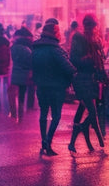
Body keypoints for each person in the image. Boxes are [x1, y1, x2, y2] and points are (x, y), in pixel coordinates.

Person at [32, 22, 76, 156]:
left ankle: (43, 141)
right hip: (56, 88)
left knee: (43, 114)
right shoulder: (56, 50)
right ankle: (48, 141)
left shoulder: (36, 48)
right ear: (55, 33)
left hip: (41, 86)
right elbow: (68, 68)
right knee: (56, 116)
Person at [68, 14, 107, 153]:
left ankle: (72, 142)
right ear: (85, 25)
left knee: (82, 109)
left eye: (93, 25)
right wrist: (89, 61)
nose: (91, 28)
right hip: (82, 78)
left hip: (92, 79)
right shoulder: (79, 38)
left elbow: (101, 61)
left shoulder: (96, 40)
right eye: (89, 25)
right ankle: (84, 129)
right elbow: (74, 59)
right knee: (92, 111)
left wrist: (102, 75)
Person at [7, 27, 33, 121]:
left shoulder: (13, 47)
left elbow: (11, 60)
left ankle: (14, 113)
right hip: (25, 73)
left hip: (15, 72)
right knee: (22, 93)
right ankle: (21, 115)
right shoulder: (28, 47)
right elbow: (31, 61)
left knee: (12, 93)